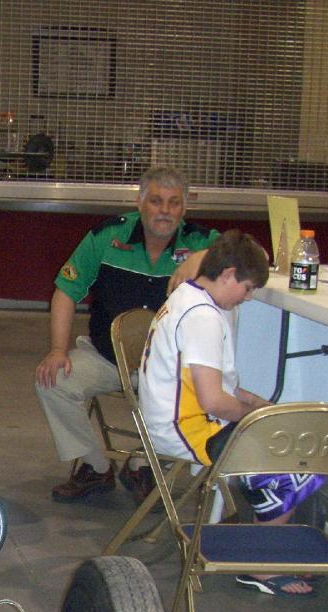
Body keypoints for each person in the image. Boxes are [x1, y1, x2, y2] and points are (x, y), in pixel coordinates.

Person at [139, 230, 323, 596]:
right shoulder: (203, 318)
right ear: (227, 274)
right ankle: (259, 565)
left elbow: (220, 384)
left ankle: (266, 540)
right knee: (301, 462)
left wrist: (256, 404)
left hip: (176, 418)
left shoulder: (187, 295)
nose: (249, 297)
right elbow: (213, 401)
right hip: (188, 430)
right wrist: (254, 417)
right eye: (248, 288)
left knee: (288, 436)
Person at [35, 165, 218, 503]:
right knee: (53, 382)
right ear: (140, 202)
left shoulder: (200, 242)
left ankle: (143, 466)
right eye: (156, 201)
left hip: (168, 368)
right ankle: (96, 467)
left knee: (203, 400)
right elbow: (65, 291)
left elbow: (254, 258)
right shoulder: (107, 236)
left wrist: (203, 258)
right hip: (106, 356)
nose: (165, 211)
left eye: (174, 203)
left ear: (185, 207)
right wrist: (58, 350)